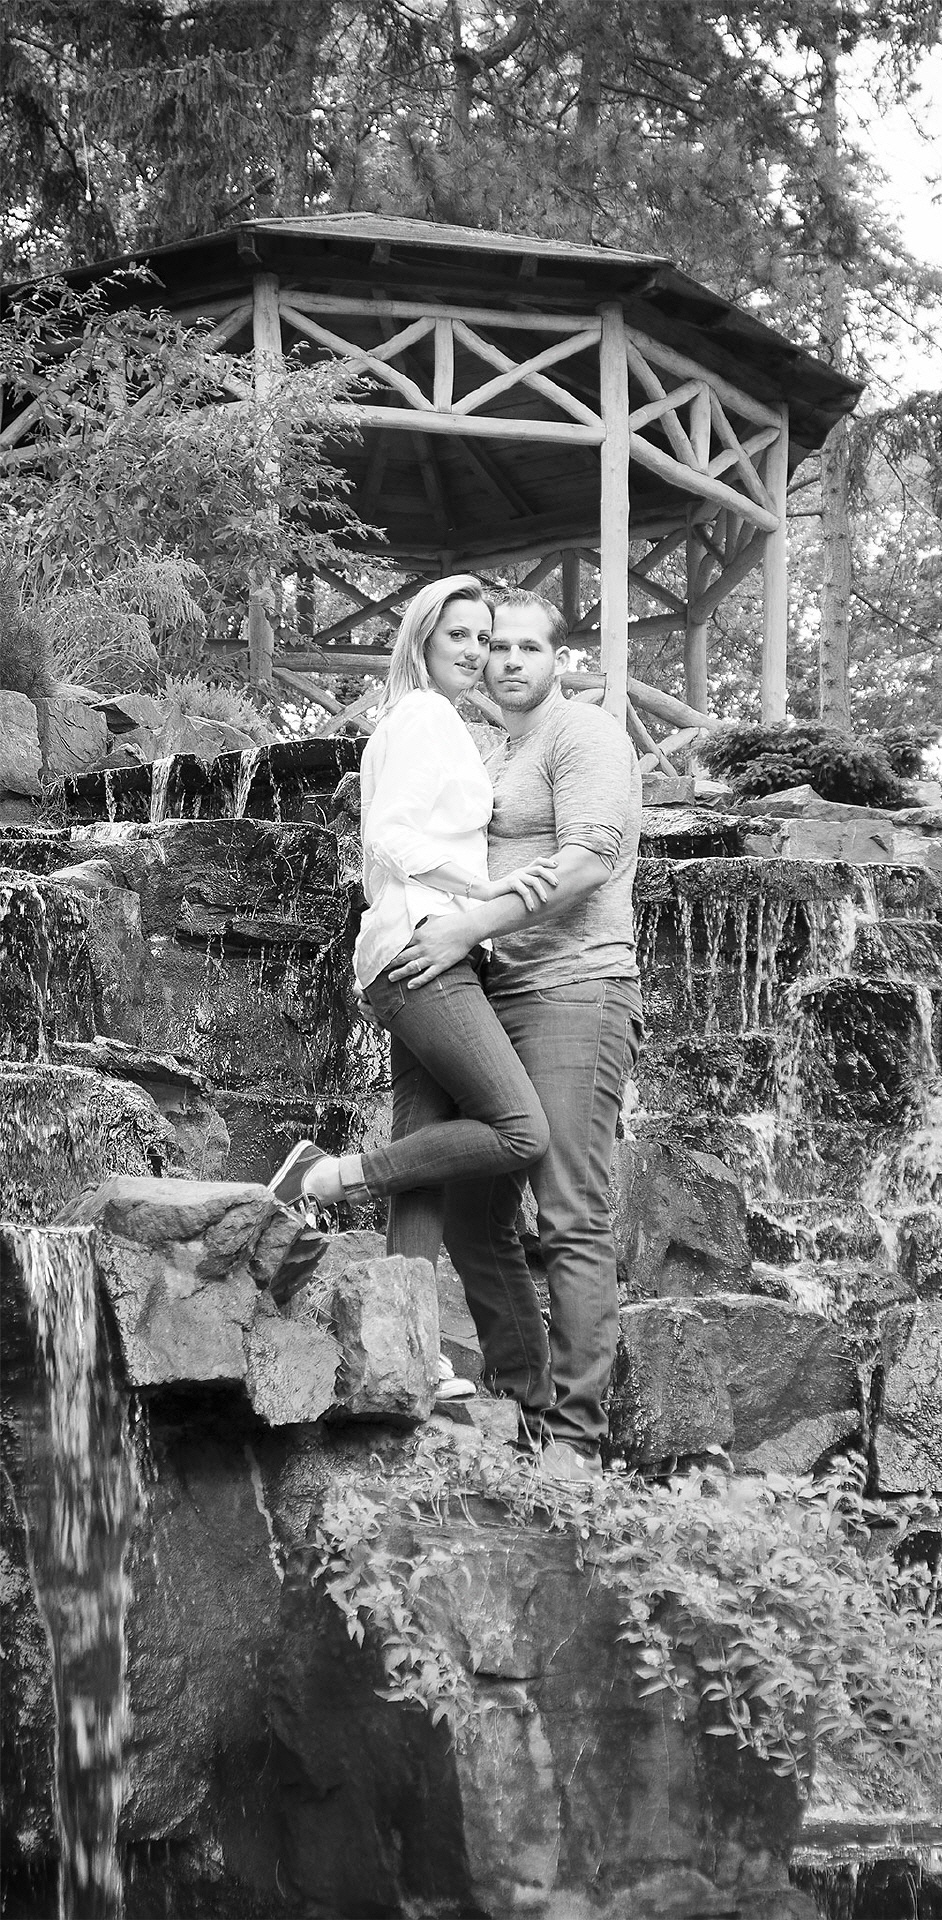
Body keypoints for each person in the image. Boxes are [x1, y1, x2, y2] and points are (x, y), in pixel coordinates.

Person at [267, 575, 561, 1400]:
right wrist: (483, 891)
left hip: (421, 949)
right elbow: (388, 837)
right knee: (519, 1129)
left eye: (484, 638)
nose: (475, 651)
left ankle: (404, 1346)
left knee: (422, 1164)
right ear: (423, 638)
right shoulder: (424, 716)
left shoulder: (430, 721)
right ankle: (323, 1176)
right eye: (458, 634)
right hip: (424, 948)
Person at [385, 589, 643, 1483]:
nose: (508, 660)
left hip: (576, 988)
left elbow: (587, 860)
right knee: (471, 1215)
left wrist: (469, 925)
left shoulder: (585, 734)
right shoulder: (489, 747)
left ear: (557, 659)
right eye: (495, 645)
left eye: (529, 646)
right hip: (494, 990)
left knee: (569, 1211)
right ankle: (524, 1400)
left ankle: (574, 1439)